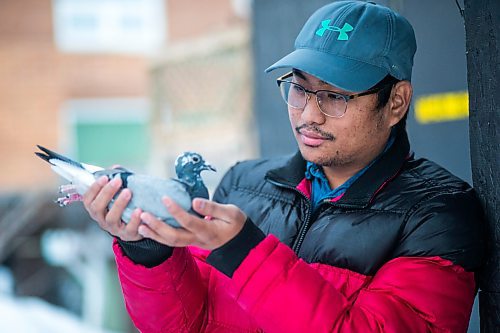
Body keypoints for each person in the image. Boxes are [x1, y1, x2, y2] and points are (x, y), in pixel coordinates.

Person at [83, 1, 485, 332]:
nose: (309, 114)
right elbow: (190, 323)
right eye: (299, 88)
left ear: (396, 101)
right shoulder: (244, 184)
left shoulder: (439, 212)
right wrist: (148, 249)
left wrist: (245, 252)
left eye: (335, 96)